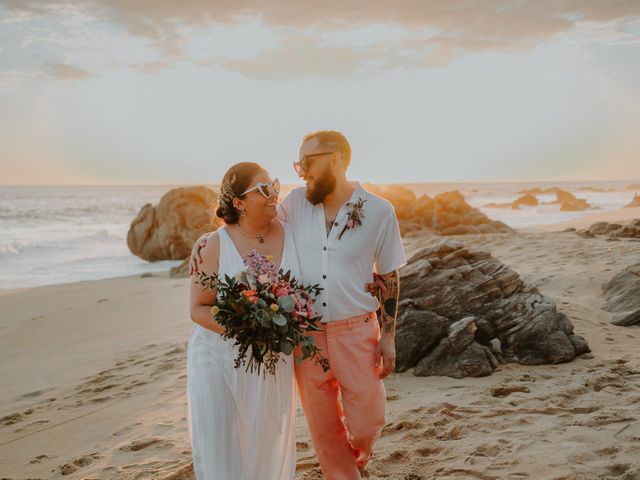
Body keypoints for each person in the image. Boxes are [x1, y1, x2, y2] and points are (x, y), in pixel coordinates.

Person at [191, 131, 406, 480]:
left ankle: (358, 459)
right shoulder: (293, 204)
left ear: (335, 158)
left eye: (307, 161)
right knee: (323, 428)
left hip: (357, 330)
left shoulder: (380, 211)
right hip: (305, 335)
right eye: (297, 163)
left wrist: (389, 336)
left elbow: (391, 276)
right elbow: (249, 227)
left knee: (369, 418)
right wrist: (205, 241)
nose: (300, 170)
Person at [187, 162, 297, 480]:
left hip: (270, 358)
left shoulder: (291, 231)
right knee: (220, 440)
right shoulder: (213, 245)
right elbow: (198, 309)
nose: (273, 194)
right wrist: (251, 330)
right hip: (216, 356)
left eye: (274, 185)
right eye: (263, 189)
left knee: (265, 438)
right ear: (239, 202)